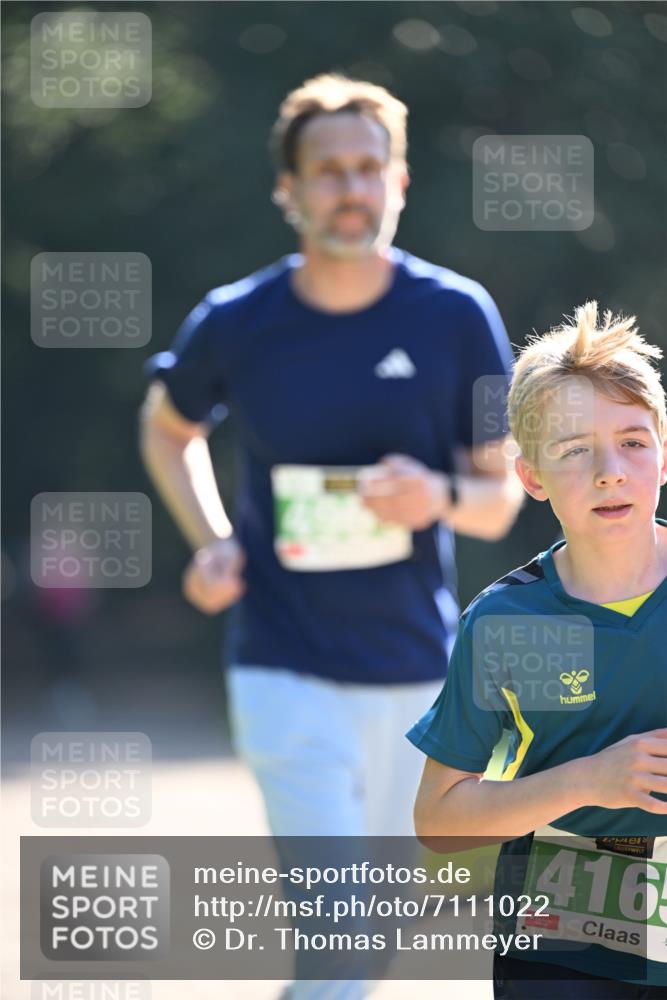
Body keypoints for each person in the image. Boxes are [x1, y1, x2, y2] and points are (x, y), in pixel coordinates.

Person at [140, 73, 521, 998]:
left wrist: (433, 493)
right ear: (290, 190)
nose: (350, 188)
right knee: (339, 938)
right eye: (327, 171)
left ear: (399, 181)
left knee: (373, 937)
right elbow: (166, 427)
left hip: (415, 674)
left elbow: (497, 499)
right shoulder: (237, 320)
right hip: (283, 666)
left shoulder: (456, 315)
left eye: (367, 167)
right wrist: (214, 540)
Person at [408, 301, 667, 998]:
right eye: (574, 450)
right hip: (563, 947)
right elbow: (438, 820)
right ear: (530, 477)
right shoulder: (506, 621)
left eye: (632, 442)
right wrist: (590, 780)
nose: (609, 471)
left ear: (664, 454)